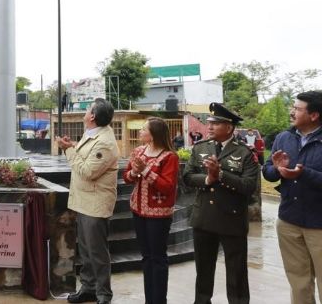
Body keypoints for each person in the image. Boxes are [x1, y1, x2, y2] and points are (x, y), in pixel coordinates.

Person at [182, 103, 259, 304]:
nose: (209, 126)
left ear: (229, 127)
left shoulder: (244, 153)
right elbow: (188, 177)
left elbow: (249, 186)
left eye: (215, 123)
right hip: (204, 218)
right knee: (203, 271)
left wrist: (221, 175)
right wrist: (208, 179)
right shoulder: (201, 148)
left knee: (236, 273)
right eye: (209, 122)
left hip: (231, 220)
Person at [55, 98, 120, 304]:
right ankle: (89, 288)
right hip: (84, 202)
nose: (85, 111)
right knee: (85, 250)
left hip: (95, 204)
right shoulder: (92, 134)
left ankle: (103, 294)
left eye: (87, 109)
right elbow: (84, 157)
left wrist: (68, 150)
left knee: (97, 253)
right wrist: (72, 145)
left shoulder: (105, 142)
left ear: (92, 116)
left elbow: (88, 171)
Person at [263, 91, 322, 304]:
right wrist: (278, 169)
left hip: (319, 224)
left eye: (297, 108)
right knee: (299, 282)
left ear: (314, 115)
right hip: (289, 221)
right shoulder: (284, 137)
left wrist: (303, 173)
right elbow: (268, 170)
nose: (292, 112)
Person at [123, 118, 180, 304]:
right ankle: (150, 300)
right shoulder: (138, 151)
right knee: (146, 257)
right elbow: (127, 177)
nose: (140, 132)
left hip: (159, 215)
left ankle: (159, 300)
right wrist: (134, 172)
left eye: (143, 129)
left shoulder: (169, 157)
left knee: (158, 258)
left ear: (153, 134)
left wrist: (145, 170)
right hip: (138, 210)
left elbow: (167, 187)